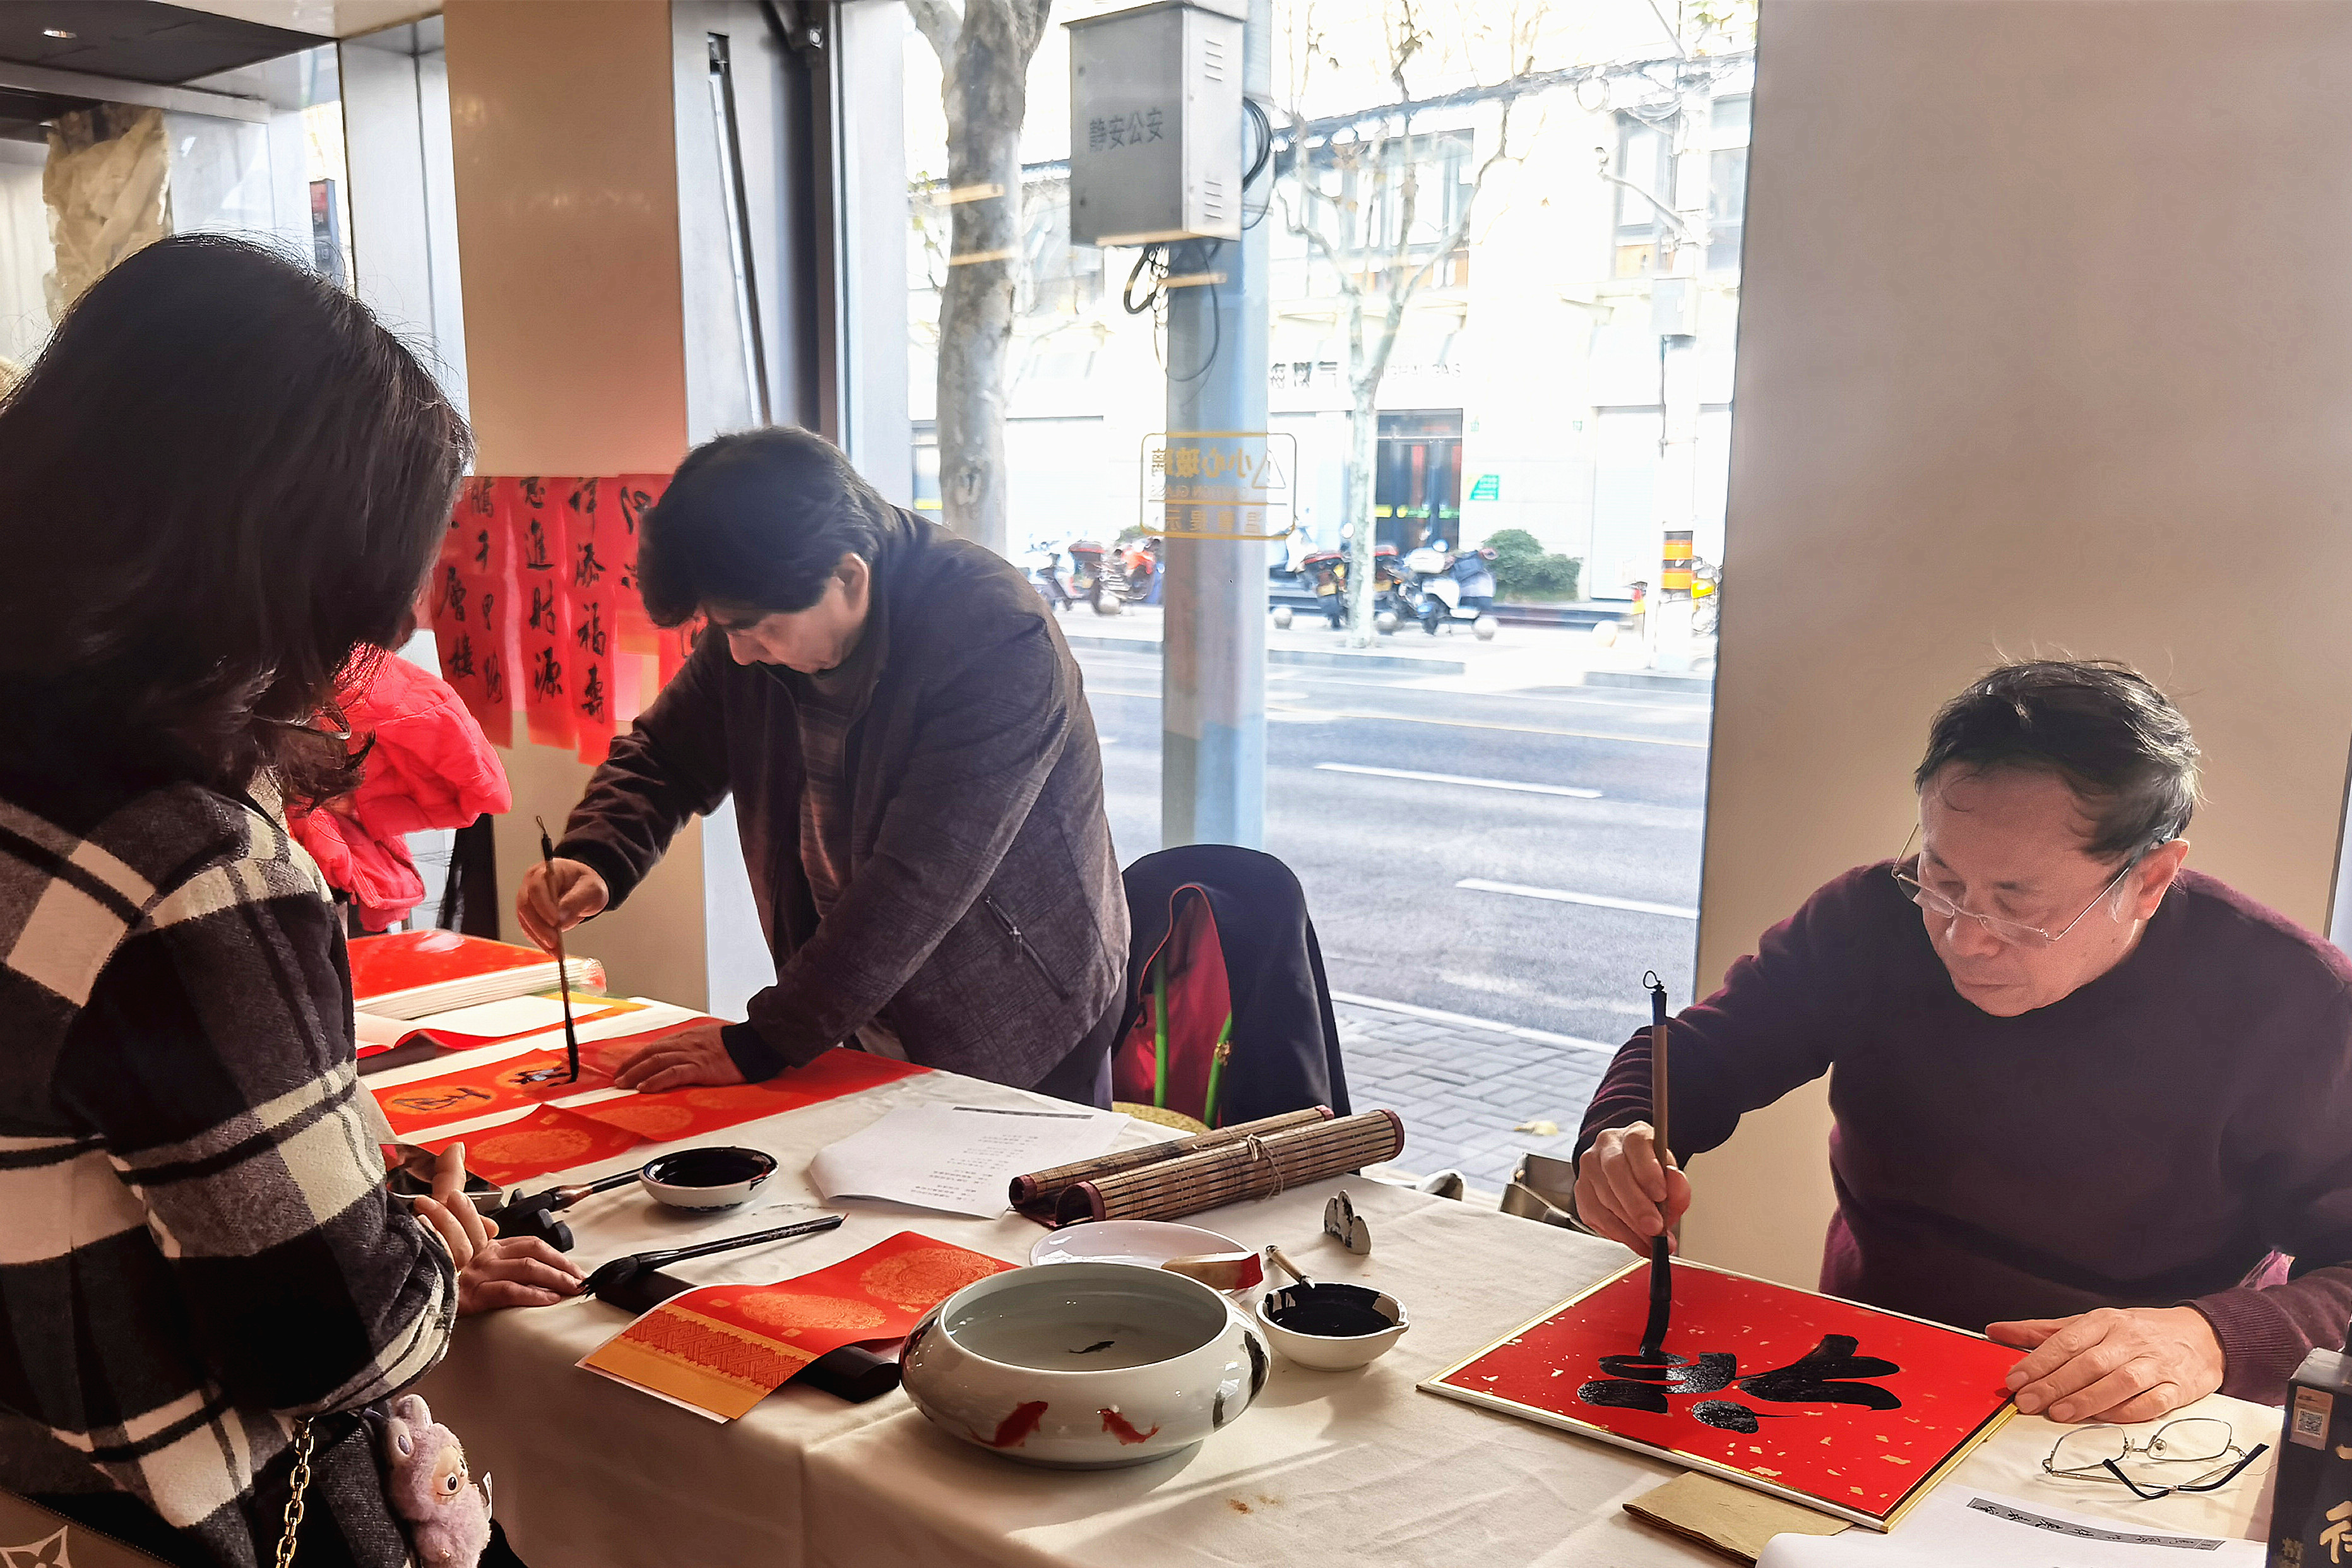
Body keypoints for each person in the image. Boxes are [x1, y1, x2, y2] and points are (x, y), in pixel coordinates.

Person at [0, 235, 580, 1568]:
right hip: (190, 1509)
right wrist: (426, 1255)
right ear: (263, 567)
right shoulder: (178, 861)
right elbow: (327, 1333)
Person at [1575, 660, 2352, 1423]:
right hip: (1875, 1345)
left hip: (2128, 1400)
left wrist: (2209, 1338)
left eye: (2018, 905)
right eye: (1942, 880)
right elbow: (1702, 1054)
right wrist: (1624, 1133)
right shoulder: (1868, 920)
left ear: (2149, 880)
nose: (1963, 939)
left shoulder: (2294, 997)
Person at [519, 427, 1128, 1103]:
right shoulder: (765, 605)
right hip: (854, 999)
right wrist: (597, 855)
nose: (742, 653)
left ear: (848, 577)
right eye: (727, 630)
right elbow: (667, 753)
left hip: (1011, 1004)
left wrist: (765, 1040)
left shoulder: (996, 636)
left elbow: (920, 880)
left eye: (759, 630)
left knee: (1008, 1172)